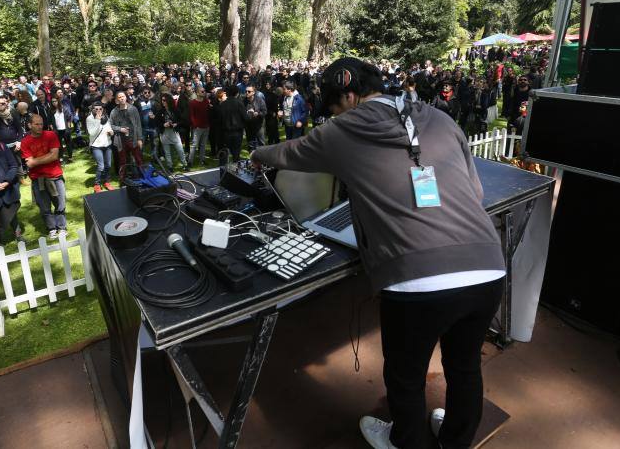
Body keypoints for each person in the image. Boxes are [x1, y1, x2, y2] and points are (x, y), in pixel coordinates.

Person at [250, 57, 505, 449]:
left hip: (417, 282)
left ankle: (406, 441)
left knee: (405, 376)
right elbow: (476, 194)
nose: (332, 116)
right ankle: (455, 438)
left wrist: (255, 155)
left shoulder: (341, 131)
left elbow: (286, 152)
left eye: (333, 107)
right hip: (487, 267)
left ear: (349, 96)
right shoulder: (440, 117)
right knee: (465, 367)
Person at [21, 114, 67, 239]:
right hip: (38, 178)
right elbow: (29, 163)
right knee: (44, 206)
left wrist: (35, 161)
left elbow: (54, 156)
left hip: (55, 175)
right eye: (36, 124)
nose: (40, 126)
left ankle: (62, 227)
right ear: (29, 125)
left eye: (41, 123)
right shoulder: (25, 142)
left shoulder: (51, 135)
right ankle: (52, 228)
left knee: (60, 203)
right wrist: (47, 157)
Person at [110, 91, 144, 181]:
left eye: (123, 96)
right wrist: (120, 129)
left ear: (126, 97)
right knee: (123, 160)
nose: (122, 98)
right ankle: (123, 179)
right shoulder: (114, 112)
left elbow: (138, 124)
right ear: (117, 99)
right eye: (119, 97)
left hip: (133, 138)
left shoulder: (133, 109)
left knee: (138, 159)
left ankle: (142, 176)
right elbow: (111, 125)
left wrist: (140, 139)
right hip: (121, 140)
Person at [86, 102, 114, 192]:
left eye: (100, 109)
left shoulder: (105, 116)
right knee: (101, 166)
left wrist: (111, 132)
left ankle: (107, 182)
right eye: (96, 109)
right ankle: (97, 184)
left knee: (108, 165)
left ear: (103, 109)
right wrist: (98, 121)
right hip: (96, 145)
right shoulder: (89, 119)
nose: (98, 111)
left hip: (107, 144)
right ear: (92, 109)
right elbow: (92, 133)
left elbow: (109, 127)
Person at [158, 93, 188, 171]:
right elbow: (156, 122)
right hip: (165, 133)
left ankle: (185, 165)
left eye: (164, 100)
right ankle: (170, 167)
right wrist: (163, 124)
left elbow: (182, 120)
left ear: (168, 101)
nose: (163, 102)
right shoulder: (160, 111)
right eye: (162, 100)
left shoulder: (175, 110)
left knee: (180, 150)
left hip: (174, 133)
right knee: (167, 152)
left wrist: (176, 124)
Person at [220, 86, 246, 163]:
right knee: (236, 153)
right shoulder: (239, 103)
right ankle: (235, 167)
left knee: (227, 152)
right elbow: (245, 117)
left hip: (226, 132)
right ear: (237, 93)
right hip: (237, 131)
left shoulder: (223, 104)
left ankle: (226, 168)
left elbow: (220, 118)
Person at [188, 86, 211, 166]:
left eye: (204, 91)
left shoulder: (206, 101)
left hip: (206, 126)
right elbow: (191, 115)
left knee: (203, 145)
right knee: (194, 145)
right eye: (202, 91)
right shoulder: (192, 103)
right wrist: (195, 125)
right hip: (197, 128)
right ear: (197, 93)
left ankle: (202, 160)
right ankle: (190, 161)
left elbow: (208, 112)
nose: (204, 92)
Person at [50, 95, 74, 163]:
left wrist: (69, 126)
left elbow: (69, 117)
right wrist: (52, 129)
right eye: (52, 102)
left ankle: (70, 157)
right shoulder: (51, 110)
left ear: (58, 101)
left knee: (68, 143)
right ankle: (60, 157)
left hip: (65, 129)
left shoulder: (64, 108)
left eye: (55, 101)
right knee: (59, 145)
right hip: (57, 131)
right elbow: (50, 121)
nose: (54, 103)